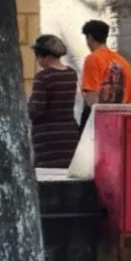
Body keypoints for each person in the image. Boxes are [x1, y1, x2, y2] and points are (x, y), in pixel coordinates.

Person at [27, 34, 81, 168]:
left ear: (45, 56)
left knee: (48, 176)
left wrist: (26, 105)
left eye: (37, 56)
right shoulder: (71, 74)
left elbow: (36, 110)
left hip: (48, 137)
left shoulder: (42, 77)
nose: (37, 60)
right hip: (69, 134)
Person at [80, 20, 131, 132]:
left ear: (90, 37)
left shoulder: (92, 59)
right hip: (120, 122)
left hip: (99, 122)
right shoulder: (123, 62)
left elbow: (91, 97)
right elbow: (129, 98)